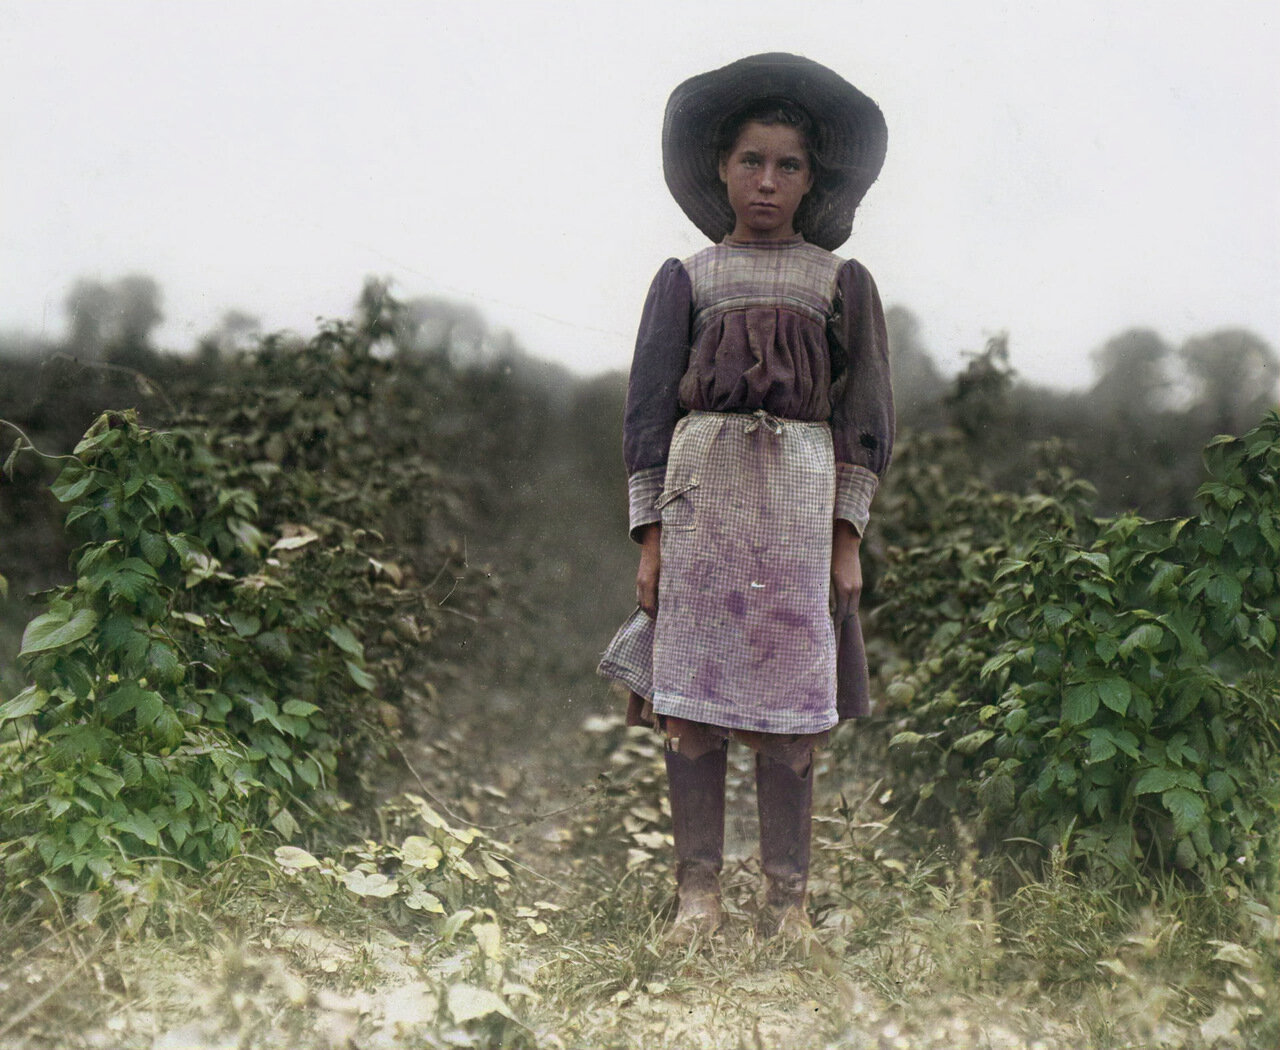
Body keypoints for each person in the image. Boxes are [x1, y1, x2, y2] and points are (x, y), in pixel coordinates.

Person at [598, 52, 894, 941]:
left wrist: (847, 538)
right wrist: (650, 538)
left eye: (788, 166)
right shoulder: (687, 278)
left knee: (791, 705)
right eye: (751, 162)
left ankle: (787, 903)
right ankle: (697, 896)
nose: (767, 182)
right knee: (691, 700)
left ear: (812, 180)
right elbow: (647, 414)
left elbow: (866, 414)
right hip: (702, 501)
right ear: (722, 170)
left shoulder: (839, 283)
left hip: (800, 503)